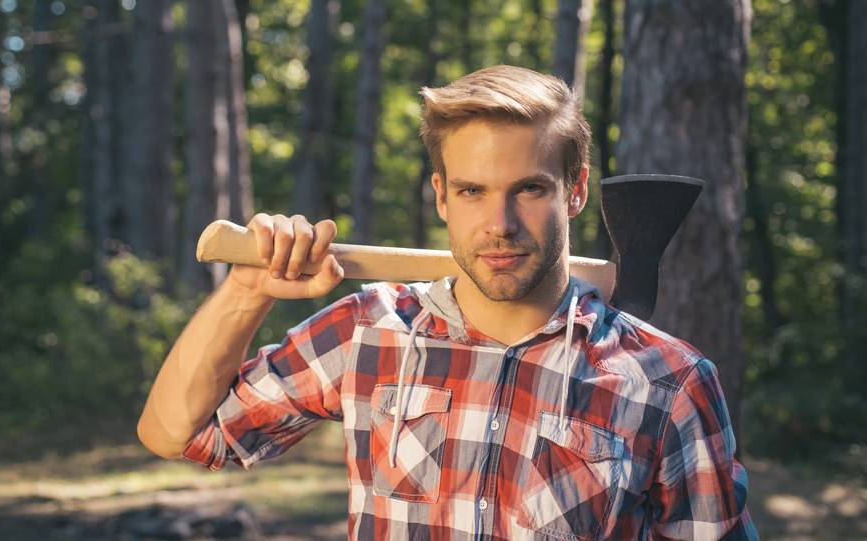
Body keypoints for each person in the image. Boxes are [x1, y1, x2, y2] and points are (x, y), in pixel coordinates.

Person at [138, 65, 758, 540]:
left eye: (529, 189)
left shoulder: (669, 382)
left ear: (574, 192)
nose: (501, 223)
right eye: (471, 190)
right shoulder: (369, 333)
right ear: (440, 196)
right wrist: (247, 292)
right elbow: (177, 435)